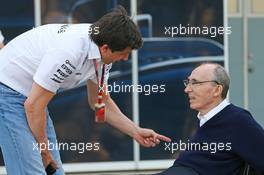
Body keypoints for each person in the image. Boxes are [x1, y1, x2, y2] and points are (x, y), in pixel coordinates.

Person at [0, 6, 171, 175]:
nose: (126, 58)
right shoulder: (70, 51)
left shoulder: (102, 50)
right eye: (124, 53)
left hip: (29, 98)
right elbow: (33, 106)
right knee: (34, 170)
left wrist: (135, 131)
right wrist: (44, 151)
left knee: (54, 171)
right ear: (105, 48)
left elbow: (101, 102)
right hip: (7, 93)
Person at [156, 63, 264, 175]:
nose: (187, 89)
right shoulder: (204, 120)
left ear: (217, 90)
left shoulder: (239, 121)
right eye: (188, 83)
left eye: (195, 83)